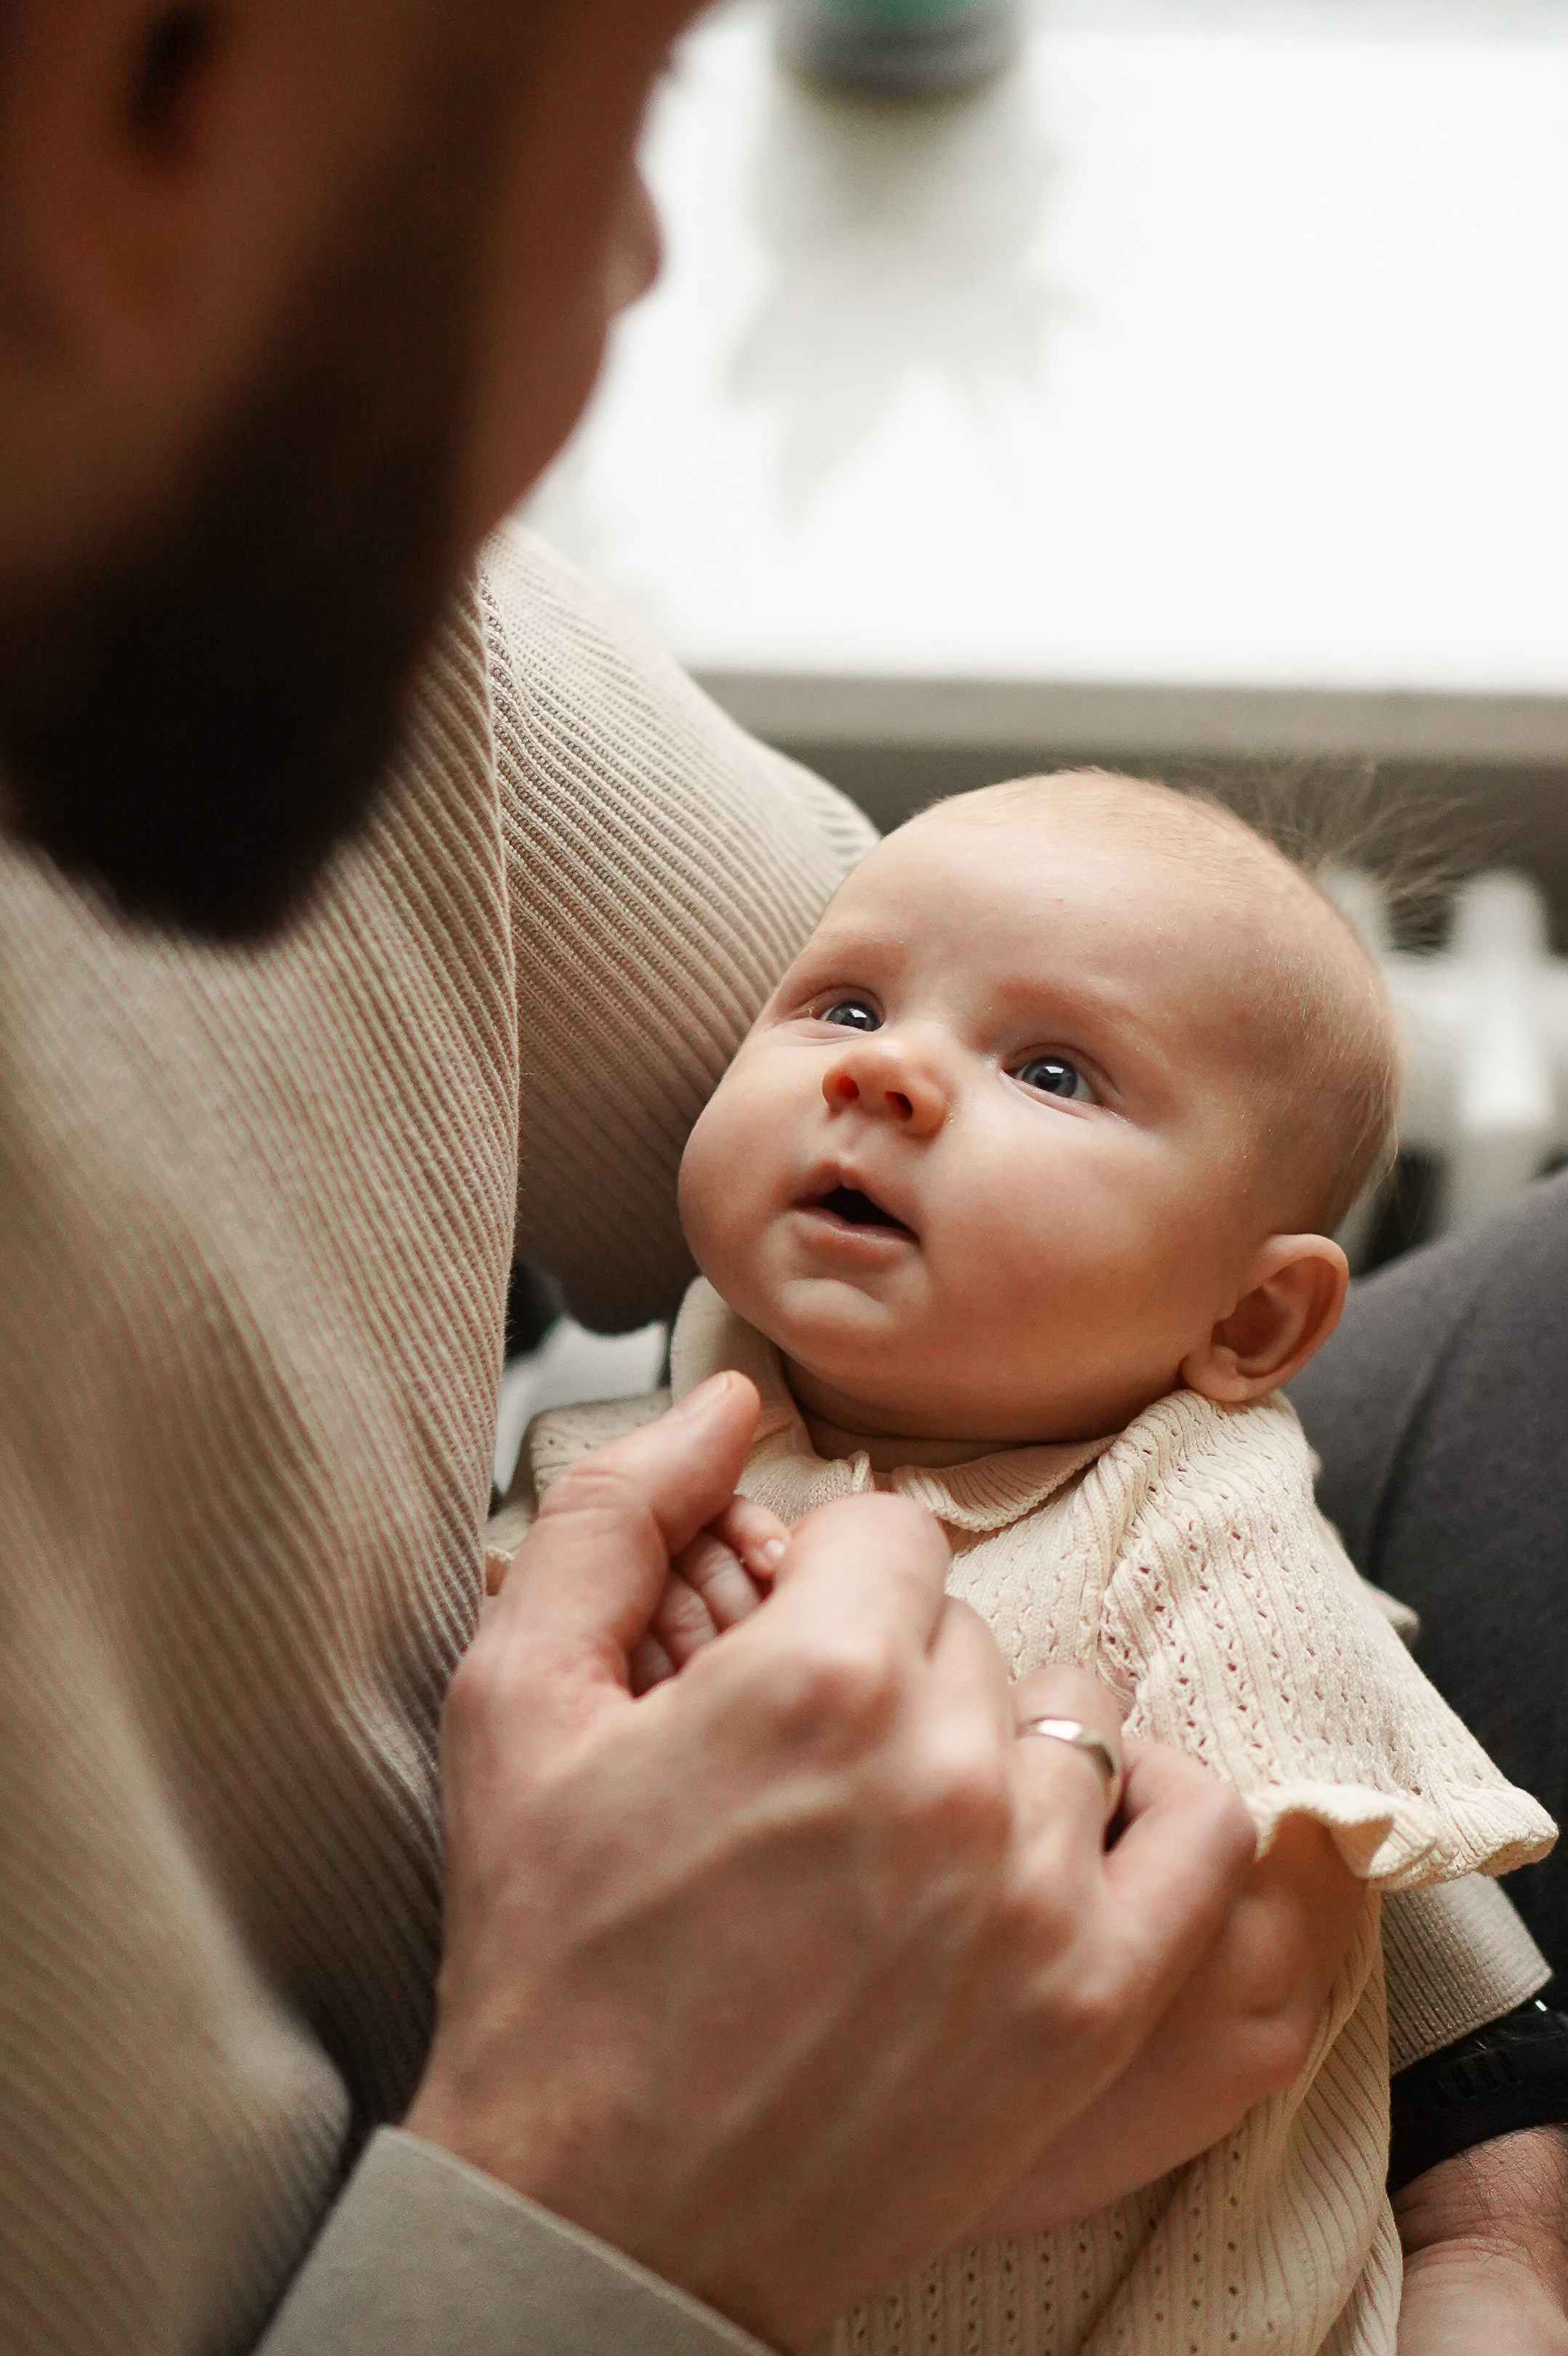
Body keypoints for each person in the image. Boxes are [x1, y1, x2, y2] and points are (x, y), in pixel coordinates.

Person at [0, 7, 1560, 2352]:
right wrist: (617, 2208)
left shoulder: (284, 540)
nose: (641, 260)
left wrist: (1478, 2241)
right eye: (609, 100)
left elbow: (998, 959)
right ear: (151, 89)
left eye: (1025, 1070)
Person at [507, 774, 1556, 2354]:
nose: (889, 1071)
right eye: (842, 1001)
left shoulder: (1194, 1518)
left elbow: (1261, 1994)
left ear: (1250, 1321)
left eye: (1053, 1072)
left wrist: (810, 2184)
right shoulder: (609, 1467)